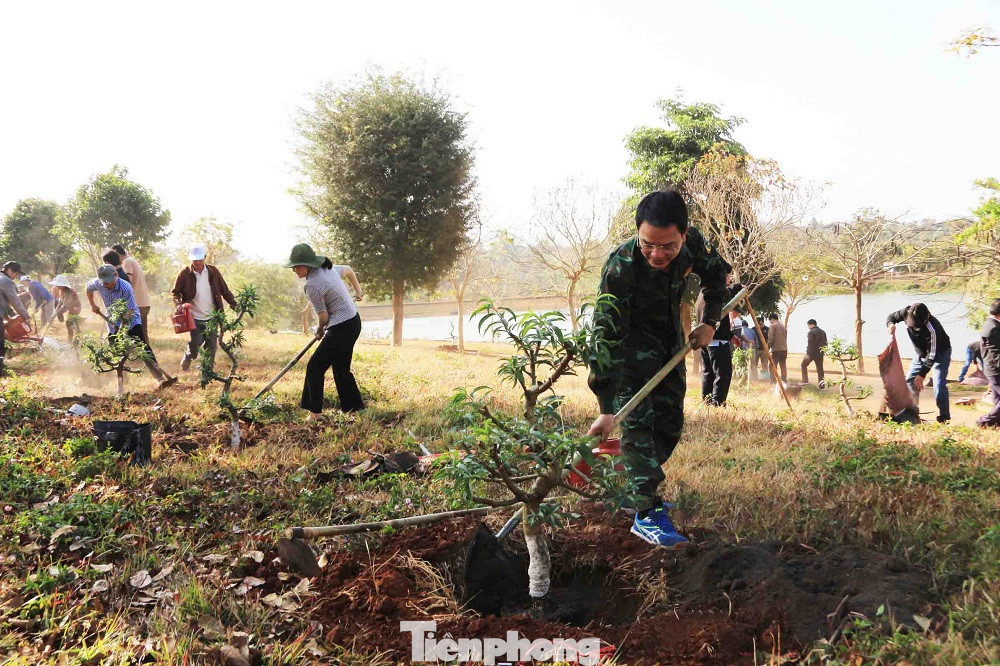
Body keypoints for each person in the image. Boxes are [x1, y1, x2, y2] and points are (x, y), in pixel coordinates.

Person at [587, 190, 729, 548]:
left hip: (668, 347)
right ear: (638, 232)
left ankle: (635, 489)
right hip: (627, 355)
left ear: (684, 234)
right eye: (648, 244)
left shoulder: (694, 244)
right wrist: (606, 407)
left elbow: (717, 280)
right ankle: (645, 511)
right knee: (638, 428)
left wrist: (710, 322)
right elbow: (605, 335)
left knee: (668, 426)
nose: (657, 254)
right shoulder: (621, 266)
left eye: (668, 246)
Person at [285, 243, 365, 420]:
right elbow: (349, 270)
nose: (295, 270)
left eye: (297, 266)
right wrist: (358, 290)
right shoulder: (327, 269)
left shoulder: (312, 285)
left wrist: (320, 330)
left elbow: (324, 317)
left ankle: (315, 413)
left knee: (315, 367)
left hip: (342, 327)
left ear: (308, 264)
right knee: (341, 368)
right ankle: (354, 408)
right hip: (353, 321)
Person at [86, 265, 175, 389]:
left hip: (131, 320)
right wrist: (93, 305)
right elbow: (88, 289)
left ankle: (159, 378)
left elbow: (130, 311)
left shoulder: (125, 287)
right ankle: (122, 379)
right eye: (104, 283)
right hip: (112, 322)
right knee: (115, 350)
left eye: (109, 282)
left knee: (143, 348)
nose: (107, 285)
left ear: (116, 275)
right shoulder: (97, 283)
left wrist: (122, 329)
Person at [171, 244, 237, 372]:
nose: (197, 262)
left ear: (205, 258)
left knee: (211, 345)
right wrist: (178, 304)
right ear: (191, 260)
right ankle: (189, 356)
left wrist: (233, 303)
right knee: (197, 342)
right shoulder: (185, 273)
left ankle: (207, 372)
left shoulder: (213, 272)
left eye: (200, 259)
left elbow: (224, 289)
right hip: (193, 316)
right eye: (195, 260)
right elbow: (175, 292)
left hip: (212, 315)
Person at [887, 302, 952, 423]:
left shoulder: (933, 329)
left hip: (940, 354)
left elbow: (932, 356)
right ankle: (912, 413)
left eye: (917, 325)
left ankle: (944, 417)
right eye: (912, 324)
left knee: (938, 385)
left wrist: (922, 375)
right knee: (909, 382)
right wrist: (890, 325)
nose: (915, 327)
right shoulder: (906, 312)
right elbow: (891, 317)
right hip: (920, 354)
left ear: (927, 317)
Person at [696, 281, 738, 406]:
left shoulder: (702, 294)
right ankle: (717, 403)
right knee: (722, 373)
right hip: (717, 339)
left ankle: (707, 401)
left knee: (708, 372)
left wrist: (730, 336)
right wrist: (738, 287)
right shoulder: (714, 292)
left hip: (705, 339)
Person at [112, 244, 152, 335]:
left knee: (134, 335)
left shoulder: (127, 262)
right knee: (141, 334)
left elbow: (127, 283)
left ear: (117, 254)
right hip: (143, 303)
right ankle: (146, 349)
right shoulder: (132, 260)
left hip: (136, 304)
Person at [1, 261, 33, 376]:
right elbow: (14, 300)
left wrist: (12, 315)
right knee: (0, 341)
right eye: (15, 274)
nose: (15, 277)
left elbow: (4, 303)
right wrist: (25, 316)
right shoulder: (6, 281)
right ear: (9, 271)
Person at [978, 299, 1000, 428]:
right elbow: (997, 354)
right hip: (995, 369)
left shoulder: (993, 325)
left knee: (997, 399)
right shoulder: (992, 328)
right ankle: (984, 421)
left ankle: (995, 424)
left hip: (994, 368)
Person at [48, 275, 82, 342]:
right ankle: (75, 337)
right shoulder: (62, 290)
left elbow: (65, 306)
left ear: (62, 285)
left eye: (58, 285)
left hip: (75, 308)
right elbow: (61, 302)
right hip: (70, 308)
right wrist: (55, 312)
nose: (57, 286)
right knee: (70, 324)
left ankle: (74, 340)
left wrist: (55, 314)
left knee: (69, 323)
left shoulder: (69, 292)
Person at [801, 319, 828, 388]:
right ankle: (822, 386)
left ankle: (805, 382)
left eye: (808, 325)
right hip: (820, 353)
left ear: (811, 324)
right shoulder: (823, 332)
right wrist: (823, 352)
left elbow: (810, 344)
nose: (808, 327)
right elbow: (825, 343)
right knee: (820, 370)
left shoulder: (811, 332)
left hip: (812, 353)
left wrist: (808, 354)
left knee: (803, 365)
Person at [767, 314, 788, 384]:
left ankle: (773, 381)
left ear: (772, 319)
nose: (770, 322)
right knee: (783, 366)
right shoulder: (782, 326)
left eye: (770, 320)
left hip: (776, 349)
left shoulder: (773, 326)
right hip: (784, 349)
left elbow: (771, 338)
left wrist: (767, 347)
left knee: (772, 366)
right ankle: (784, 381)